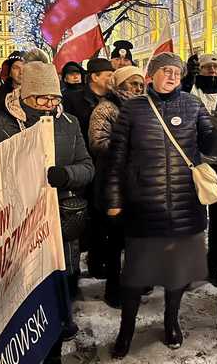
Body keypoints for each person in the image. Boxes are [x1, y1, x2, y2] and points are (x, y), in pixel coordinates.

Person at [0, 54, 94, 364]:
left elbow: (87, 166)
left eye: (53, 96)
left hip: (58, 220)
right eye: (40, 96)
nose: (48, 103)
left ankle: (55, 341)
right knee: (22, 293)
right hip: (16, 225)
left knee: (59, 281)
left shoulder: (68, 121)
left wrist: (66, 175)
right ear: (24, 95)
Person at [104, 52, 217, 359]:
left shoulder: (192, 104)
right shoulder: (133, 109)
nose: (172, 76)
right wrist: (114, 199)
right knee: (135, 275)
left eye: (177, 72)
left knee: (177, 273)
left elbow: (209, 148)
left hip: (185, 206)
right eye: (165, 71)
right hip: (144, 206)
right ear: (151, 75)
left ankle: (172, 322)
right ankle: (126, 330)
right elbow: (116, 158)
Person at [180, 53, 217, 289]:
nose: (212, 71)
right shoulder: (191, 92)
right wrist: (188, 79)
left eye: (216, 67)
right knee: (192, 217)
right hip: (194, 161)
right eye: (207, 68)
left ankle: (216, 263)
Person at [89, 66, 146, 309]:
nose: (138, 89)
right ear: (119, 85)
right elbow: (98, 142)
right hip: (113, 184)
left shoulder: (143, 108)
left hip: (139, 184)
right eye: (133, 84)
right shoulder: (105, 108)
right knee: (115, 242)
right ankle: (114, 288)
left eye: (141, 85)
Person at [62, 57, 115, 279]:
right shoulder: (73, 99)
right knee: (88, 215)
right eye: (108, 75)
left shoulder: (114, 99)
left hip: (107, 166)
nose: (112, 79)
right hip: (84, 165)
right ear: (94, 76)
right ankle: (88, 262)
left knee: (105, 215)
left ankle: (101, 259)